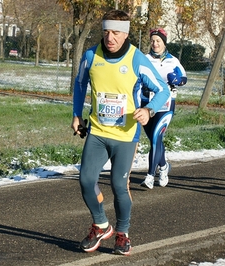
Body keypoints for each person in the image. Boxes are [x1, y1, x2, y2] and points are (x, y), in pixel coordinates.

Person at [71, 10, 170, 255]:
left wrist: (149, 109)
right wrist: (76, 114)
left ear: (125, 34)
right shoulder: (91, 56)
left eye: (116, 32)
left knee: (118, 184)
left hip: (125, 135)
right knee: (85, 180)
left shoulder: (136, 59)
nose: (110, 37)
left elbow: (163, 91)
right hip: (98, 131)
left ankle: (123, 234)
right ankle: (101, 224)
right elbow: (80, 82)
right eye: (106, 31)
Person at [140, 28, 187, 189]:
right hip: (147, 105)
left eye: (158, 41)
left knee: (155, 137)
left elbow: (184, 78)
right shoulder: (144, 59)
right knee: (155, 139)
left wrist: (178, 80)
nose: (155, 44)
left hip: (166, 105)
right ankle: (164, 166)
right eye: (152, 41)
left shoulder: (172, 60)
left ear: (164, 43)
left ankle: (150, 176)